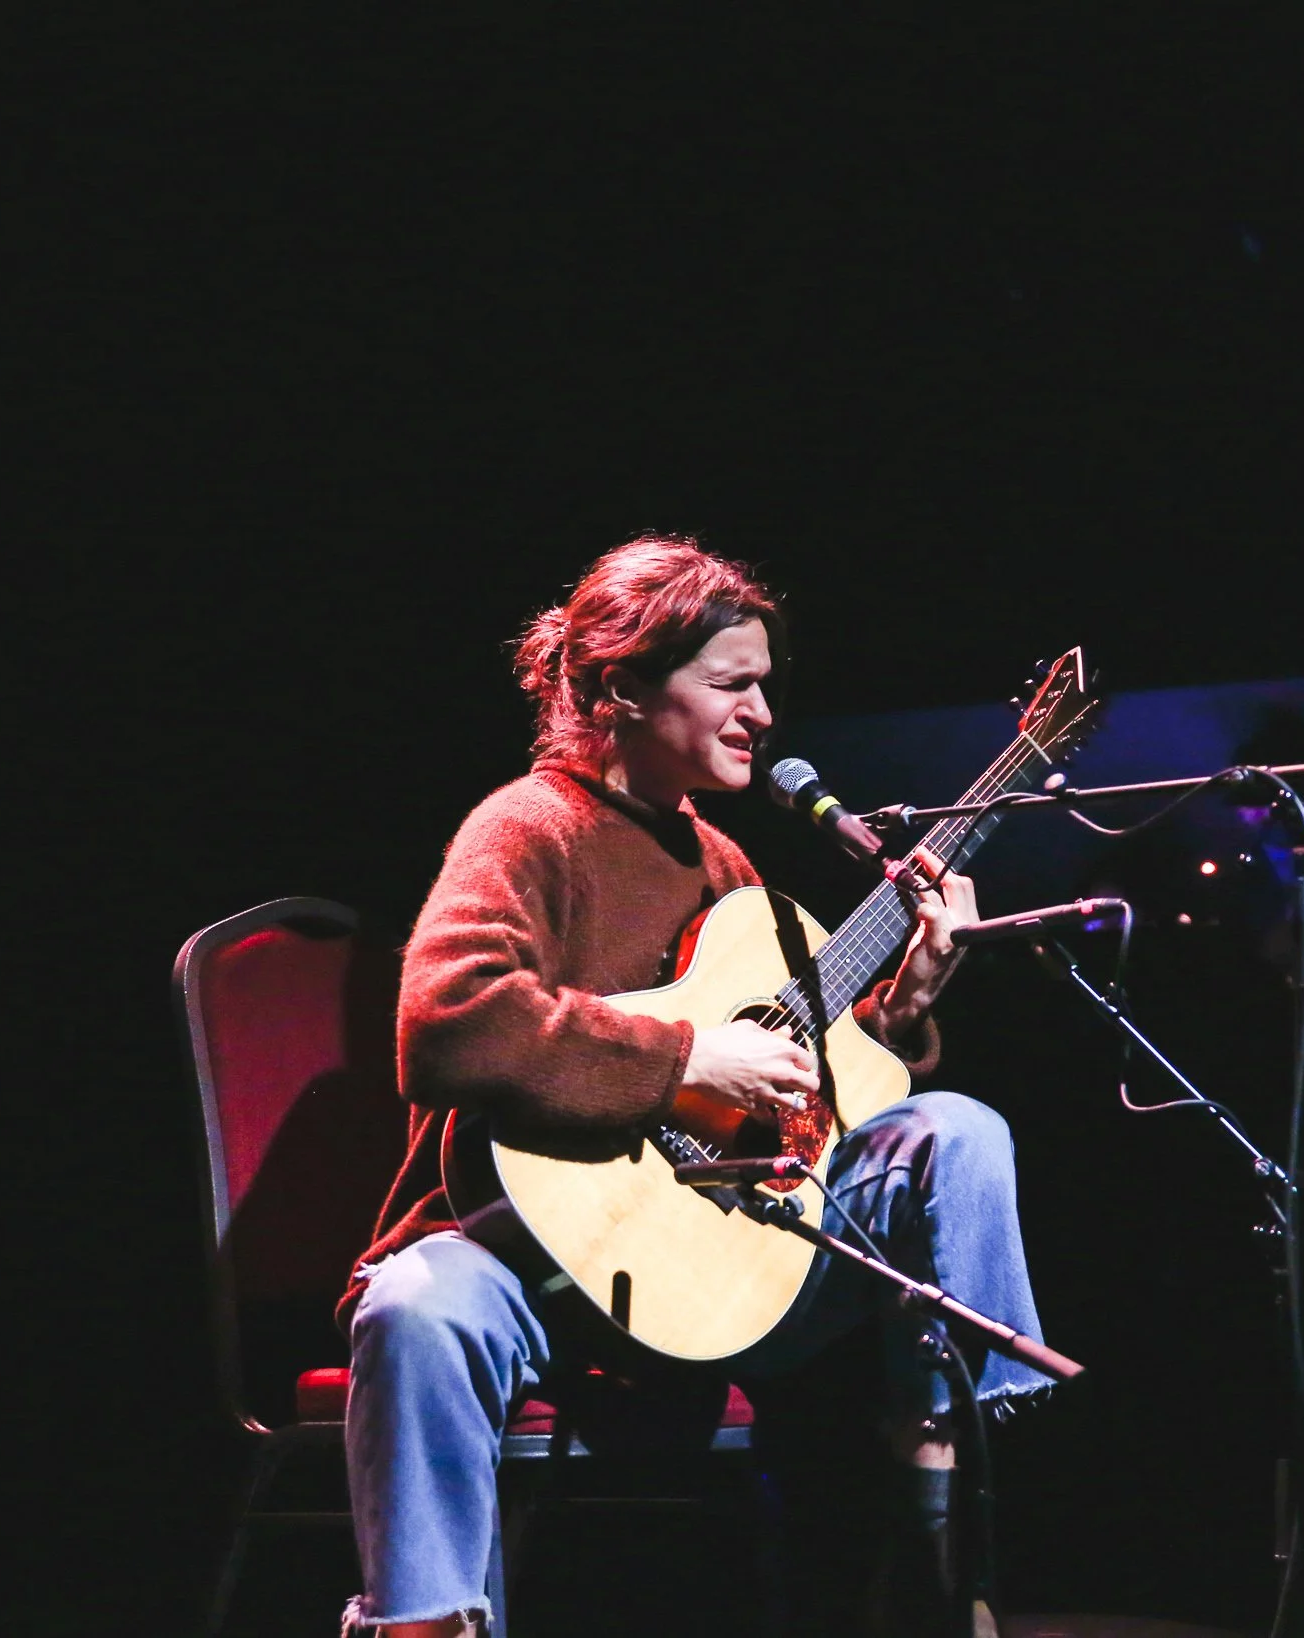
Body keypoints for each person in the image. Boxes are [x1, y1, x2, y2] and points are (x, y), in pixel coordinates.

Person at [338, 536, 1053, 1637]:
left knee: (950, 1131)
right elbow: (449, 1025)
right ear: (621, 688)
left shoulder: (726, 866)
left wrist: (900, 1008)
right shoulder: (529, 828)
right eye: (730, 683)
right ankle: (428, 1626)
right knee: (416, 1306)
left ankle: (942, 1538)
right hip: (529, 1261)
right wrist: (681, 1062)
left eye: (764, 685)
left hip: (715, 1268)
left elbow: (798, 1094)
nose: (762, 713)